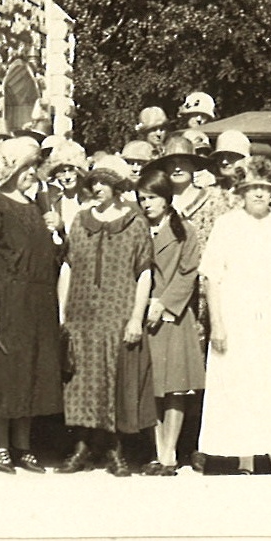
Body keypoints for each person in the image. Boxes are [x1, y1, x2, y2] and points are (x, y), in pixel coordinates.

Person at [196, 157, 271, 473]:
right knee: (241, 385)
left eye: (264, 188)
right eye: (252, 188)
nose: (259, 194)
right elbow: (212, 277)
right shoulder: (227, 225)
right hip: (238, 322)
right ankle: (245, 460)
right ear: (242, 191)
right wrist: (217, 324)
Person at [56, 154, 154, 477]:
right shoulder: (80, 220)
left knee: (112, 377)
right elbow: (67, 267)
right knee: (80, 377)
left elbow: (144, 273)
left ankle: (113, 449)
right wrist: (62, 312)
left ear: (119, 185)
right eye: (94, 181)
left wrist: (136, 317)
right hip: (81, 313)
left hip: (117, 310)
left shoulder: (135, 222)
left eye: (105, 181)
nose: (98, 187)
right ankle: (81, 447)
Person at [0, 137, 65, 473]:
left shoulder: (35, 205)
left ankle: (23, 444)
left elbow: (48, 255)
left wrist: (59, 231)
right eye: (26, 167)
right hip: (6, 300)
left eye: (33, 168)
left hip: (37, 301)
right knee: (3, 372)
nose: (32, 174)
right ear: (10, 169)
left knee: (31, 371)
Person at [138, 172, 205, 475]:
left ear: (166, 199)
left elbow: (188, 272)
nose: (146, 204)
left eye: (151, 198)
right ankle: (157, 451)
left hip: (174, 317)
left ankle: (170, 453)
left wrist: (163, 303)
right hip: (144, 314)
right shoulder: (137, 229)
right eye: (142, 199)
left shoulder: (184, 230)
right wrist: (144, 304)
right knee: (153, 386)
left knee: (175, 388)